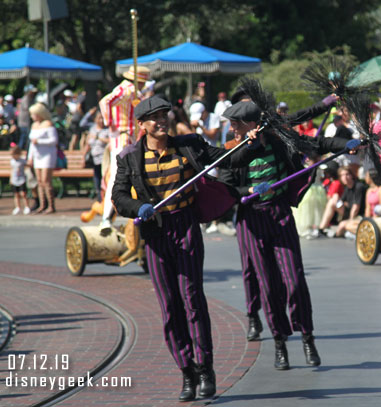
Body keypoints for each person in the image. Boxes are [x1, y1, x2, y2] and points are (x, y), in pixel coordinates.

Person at [111, 96, 259, 402]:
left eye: (164, 115)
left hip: (186, 227)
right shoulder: (128, 157)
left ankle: (206, 369)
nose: (161, 121)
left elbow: (228, 159)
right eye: (154, 117)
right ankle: (187, 372)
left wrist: (251, 142)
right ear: (142, 125)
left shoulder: (190, 145)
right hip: (156, 233)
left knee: (192, 299)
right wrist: (139, 207)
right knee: (170, 307)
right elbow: (119, 196)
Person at [221, 100, 350, 371]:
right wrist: (247, 192)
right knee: (268, 286)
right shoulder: (231, 149)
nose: (231, 129)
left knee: (294, 281)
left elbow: (315, 145)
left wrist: (348, 145)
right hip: (251, 220)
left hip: (279, 214)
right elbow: (227, 184)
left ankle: (307, 337)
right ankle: (279, 342)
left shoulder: (279, 139)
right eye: (231, 124)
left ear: (252, 125)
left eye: (236, 124)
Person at [98, 65, 150, 232]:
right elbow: (105, 101)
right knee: (116, 177)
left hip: (130, 138)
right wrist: (111, 124)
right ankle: (106, 218)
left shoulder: (133, 92)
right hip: (122, 137)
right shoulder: (127, 89)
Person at [26, 103, 58, 214]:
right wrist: (30, 157)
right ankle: (42, 205)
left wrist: (39, 141)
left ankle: (51, 205)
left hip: (47, 155)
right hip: (37, 156)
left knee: (46, 181)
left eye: (33, 114)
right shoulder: (34, 125)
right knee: (39, 181)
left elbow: (54, 141)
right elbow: (32, 144)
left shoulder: (48, 124)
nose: (32, 116)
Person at [82, 111, 110, 202]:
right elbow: (88, 144)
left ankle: (106, 199)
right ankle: (100, 199)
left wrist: (99, 138)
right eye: (99, 118)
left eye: (103, 118)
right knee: (97, 178)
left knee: (105, 178)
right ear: (95, 119)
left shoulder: (108, 129)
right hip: (95, 158)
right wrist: (84, 157)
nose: (101, 120)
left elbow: (111, 141)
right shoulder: (93, 129)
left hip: (105, 158)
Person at [10, 144, 29, 215]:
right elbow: (11, 170)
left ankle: (26, 206)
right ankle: (17, 207)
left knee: (23, 194)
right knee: (16, 194)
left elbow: (28, 165)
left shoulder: (22, 161)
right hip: (14, 179)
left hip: (21, 179)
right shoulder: (12, 161)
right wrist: (11, 179)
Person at [18, 85, 37, 150]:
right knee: (24, 136)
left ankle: (25, 149)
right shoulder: (26, 98)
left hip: (27, 122)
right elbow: (28, 108)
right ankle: (19, 149)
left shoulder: (31, 98)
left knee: (25, 136)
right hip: (24, 122)